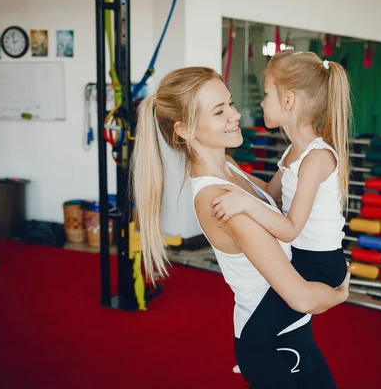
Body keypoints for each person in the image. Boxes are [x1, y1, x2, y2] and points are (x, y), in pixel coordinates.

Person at [131, 66, 353, 388]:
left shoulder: (230, 169)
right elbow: (302, 298)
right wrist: (340, 293)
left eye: (230, 103)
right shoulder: (219, 200)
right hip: (271, 342)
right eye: (219, 111)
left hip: (290, 328)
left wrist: (305, 151)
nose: (235, 115)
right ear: (185, 130)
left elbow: (279, 198)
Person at [211, 49, 352, 290]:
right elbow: (269, 191)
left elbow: (290, 229)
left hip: (321, 264)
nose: (262, 102)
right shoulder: (293, 152)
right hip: (298, 256)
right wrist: (229, 167)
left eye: (267, 94)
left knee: (258, 327)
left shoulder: (316, 158)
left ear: (288, 100)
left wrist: (243, 203)